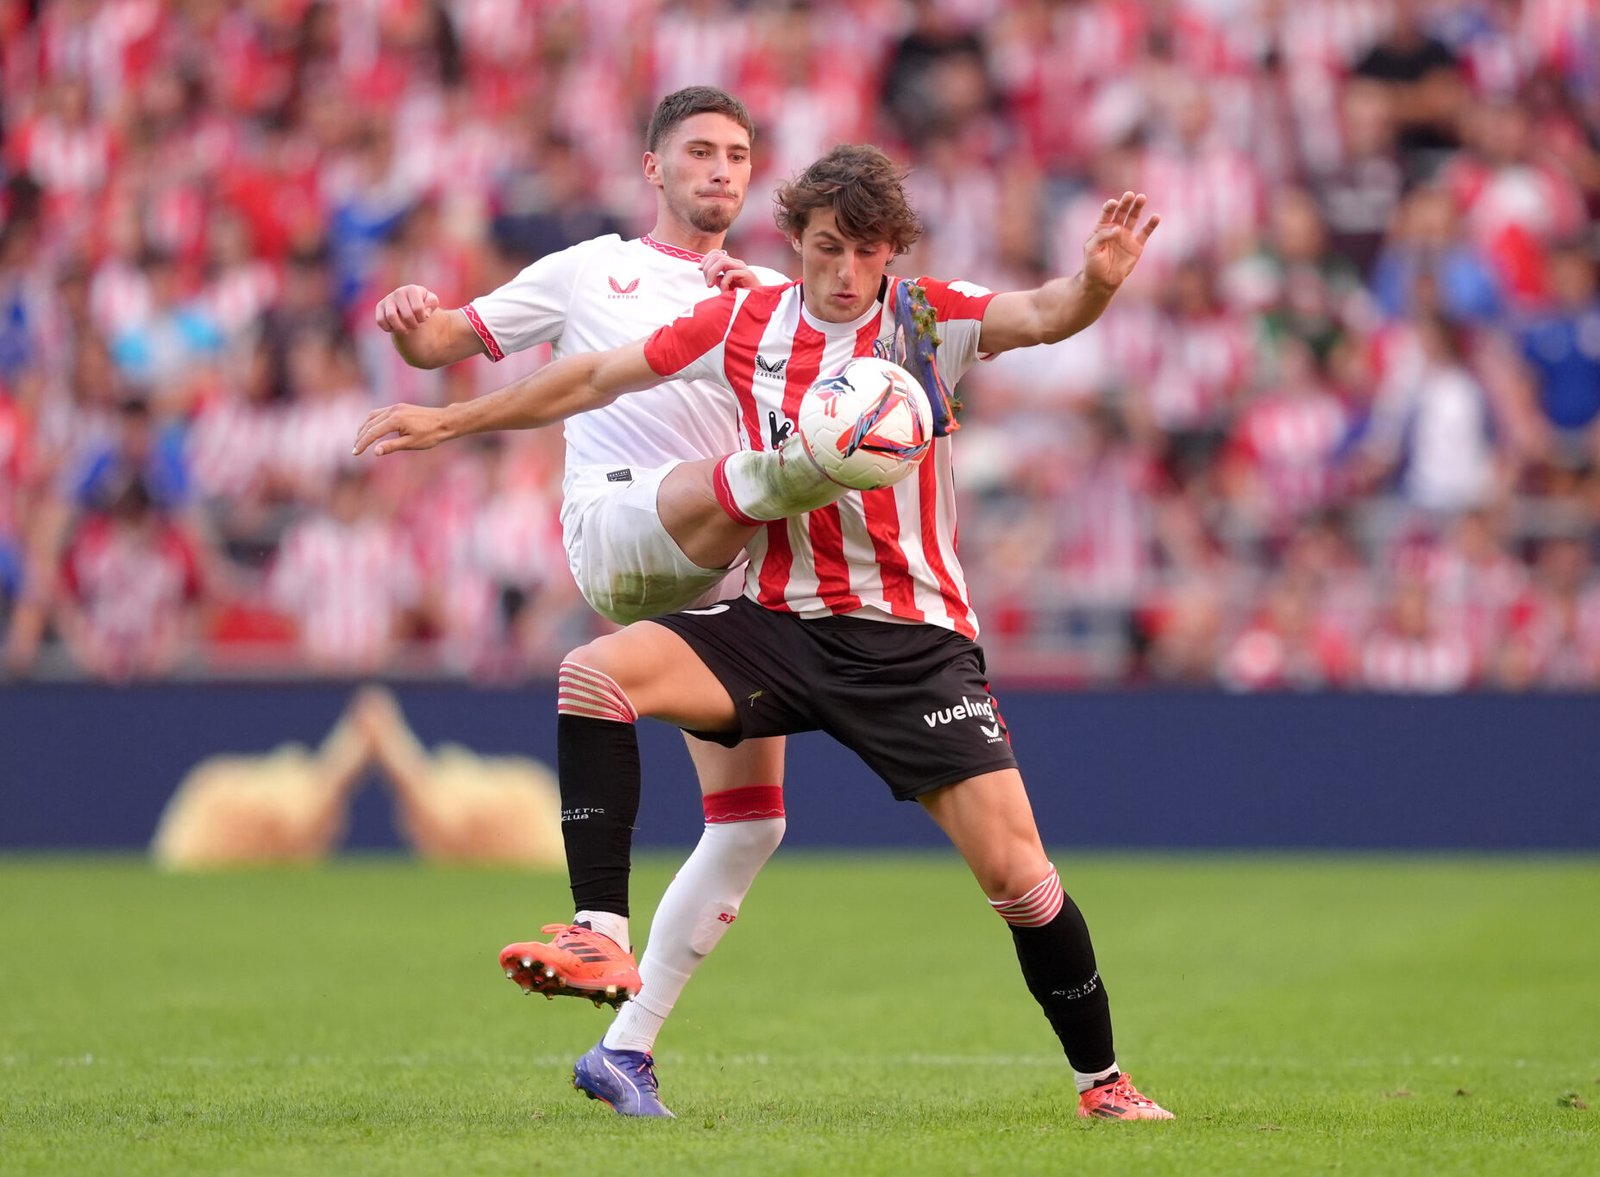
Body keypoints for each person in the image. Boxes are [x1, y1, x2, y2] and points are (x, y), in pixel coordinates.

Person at [355, 144, 1170, 1121]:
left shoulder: (923, 317)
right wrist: (449, 425)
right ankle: (594, 931)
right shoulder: (744, 319)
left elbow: (1042, 315)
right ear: (796, 240)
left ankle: (1102, 1083)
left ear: (889, 252)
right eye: (825, 246)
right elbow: (593, 378)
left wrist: (1095, 282)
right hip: (779, 624)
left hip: (914, 646)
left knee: (1020, 879)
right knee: (592, 676)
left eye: (864, 252)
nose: (841, 271)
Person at [367, 87, 800, 1111]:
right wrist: (410, 320)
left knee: (750, 822)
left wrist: (777, 321)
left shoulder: (775, 290)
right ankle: (597, 923)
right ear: (654, 167)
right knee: (778, 475)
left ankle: (624, 1046)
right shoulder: (587, 271)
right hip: (623, 531)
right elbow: (442, 344)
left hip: (716, 577)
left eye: (738, 154)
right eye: (699, 151)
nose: (722, 170)